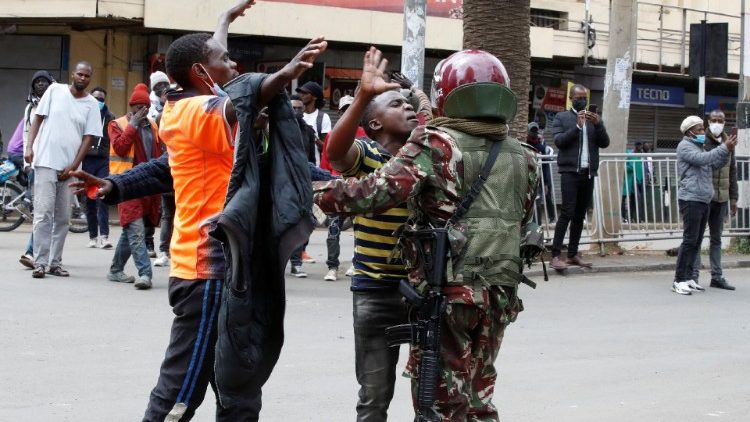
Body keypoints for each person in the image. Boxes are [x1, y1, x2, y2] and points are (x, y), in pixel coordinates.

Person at [72, 1, 326, 417]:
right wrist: (287, 73)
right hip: (205, 271)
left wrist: (224, 22)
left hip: (223, 268)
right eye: (225, 59)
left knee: (238, 382)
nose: (234, 63)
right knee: (182, 389)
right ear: (201, 74)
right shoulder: (196, 110)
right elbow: (240, 100)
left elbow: (168, 167)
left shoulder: (188, 105)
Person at [315, 48, 537, 421]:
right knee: (478, 398)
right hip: (499, 294)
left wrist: (315, 195)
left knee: (441, 402)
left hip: (449, 295)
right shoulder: (523, 155)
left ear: (445, 94)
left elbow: (376, 192)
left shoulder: (437, 143)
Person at [323, 49, 429, 420]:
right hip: (376, 293)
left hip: (426, 294)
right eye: (396, 104)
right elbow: (335, 153)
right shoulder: (367, 155)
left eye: (408, 102)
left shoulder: (429, 158)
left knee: (430, 396)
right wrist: (364, 96)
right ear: (375, 125)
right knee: (374, 399)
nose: (408, 107)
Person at [24, 62, 102, 278]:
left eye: (87, 75)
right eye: (80, 74)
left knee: (63, 218)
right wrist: (30, 147)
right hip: (46, 161)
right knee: (43, 214)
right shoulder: (55, 91)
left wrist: (74, 166)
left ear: (90, 78)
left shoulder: (92, 104)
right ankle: (39, 263)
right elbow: (37, 119)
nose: (83, 78)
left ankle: (55, 263)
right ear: (73, 74)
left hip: (71, 168)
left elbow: (89, 138)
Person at [106, 83, 162, 289]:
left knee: (132, 230)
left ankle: (115, 270)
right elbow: (120, 148)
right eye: (137, 107)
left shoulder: (154, 126)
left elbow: (157, 157)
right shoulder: (117, 124)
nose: (141, 111)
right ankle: (145, 274)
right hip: (126, 185)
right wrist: (133, 125)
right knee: (136, 230)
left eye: (144, 107)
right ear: (132, 107)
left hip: (148, 186)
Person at [672, 115, 735, 295]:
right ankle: (679, 279)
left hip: (703, 198)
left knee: (697, 241)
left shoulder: (699, 146)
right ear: (690, 131)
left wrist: (727, 151)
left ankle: (690, 278)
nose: (702, 132)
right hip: (691, 198)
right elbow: (704, 160)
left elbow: (714, 164)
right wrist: (724, 147)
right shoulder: (685, 146)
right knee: (689, 240)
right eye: (699, 129)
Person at [549, 84, 610, 270]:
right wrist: (577, 127)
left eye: (585, 97)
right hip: (569, 172)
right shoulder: (562, 117)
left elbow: (605, 143)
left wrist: (598, 124)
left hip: (588, 173)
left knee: (580, 215)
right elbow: (559, 141)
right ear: (571, 98)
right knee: (567, 212)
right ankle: (556, 255)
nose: (582, 100)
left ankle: (573, 254)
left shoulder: (595, 121)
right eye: (578, 97)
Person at [691, 110, 738, 291]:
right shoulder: (703, 141)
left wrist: (733, 198)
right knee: (697, 238)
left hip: (722, 197)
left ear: (725, 122)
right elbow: (704, 162)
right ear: (708, 122)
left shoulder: (729, 141)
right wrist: (723, 148)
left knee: (716, 239)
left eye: (720, 120)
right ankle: (693, 275)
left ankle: (717, 276)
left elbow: (732, 171)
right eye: (714, 120)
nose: (717, 123)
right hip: (704, 196)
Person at [17, 70, 55, 269]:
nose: (41, 84)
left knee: (50, 213)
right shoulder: (30, 107)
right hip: (37, 162)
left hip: (55, 161)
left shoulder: (58, 103)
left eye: (44, 81)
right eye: (37, 82)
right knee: (41, 210)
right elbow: (26, 133)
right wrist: (27, 161)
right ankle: (33, 253)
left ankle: (49, 256)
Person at [83, 86, 115, 249]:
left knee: (102, 197)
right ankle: (93, 236)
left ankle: (104, 236)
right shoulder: (85, 114)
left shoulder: (110, 117)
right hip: (87, 160)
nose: (98, 102)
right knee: (89, 198)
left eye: (101, 99)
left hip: (103, 160)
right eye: (96, 99)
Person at [527, 121, 556, 224]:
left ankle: (538, 226)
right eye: (532, 130)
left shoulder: (541, 147)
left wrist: (546, 183)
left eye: (535, 130)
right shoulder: (525, 145)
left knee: (538, 203)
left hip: (540, 179)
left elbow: (545, 166)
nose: (534, 133)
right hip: (528, 180)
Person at [621, 142, 645, 224]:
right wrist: (631, 167)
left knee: (635, 200)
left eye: (640, 145)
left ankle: (634, 218)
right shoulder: (629, 154)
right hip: (629, 179)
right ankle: (625, 217)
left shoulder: (641, 155)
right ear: (635, 146)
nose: (640, 147)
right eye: (638, 145)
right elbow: (624, 165)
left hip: (638, 180)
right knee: (625, 199)